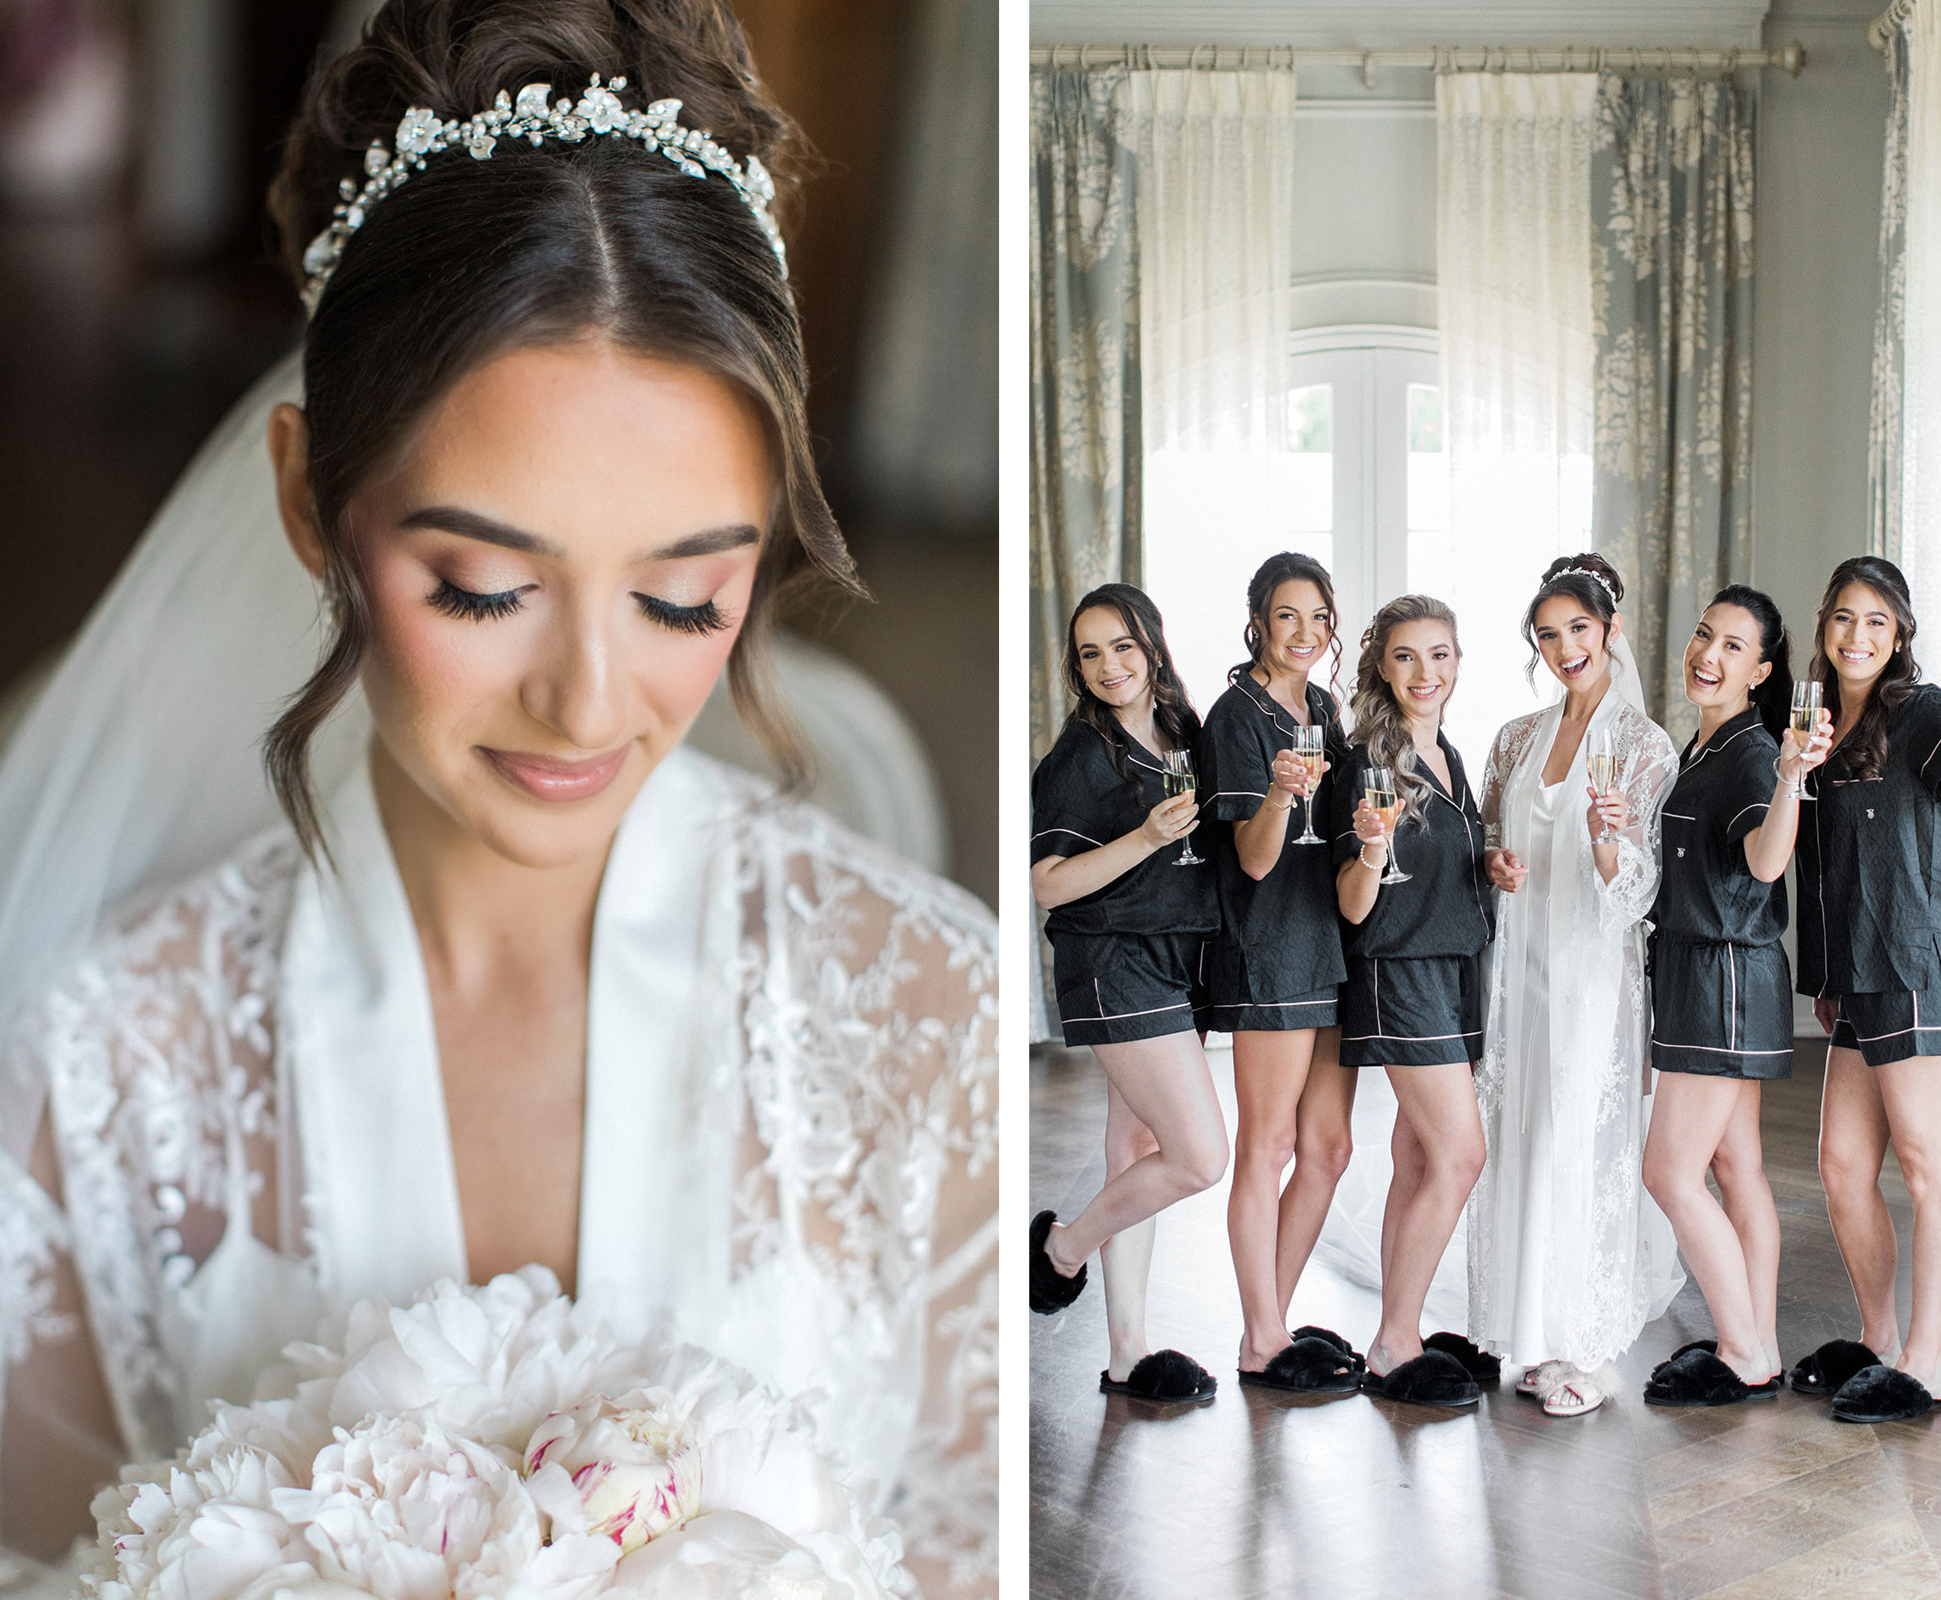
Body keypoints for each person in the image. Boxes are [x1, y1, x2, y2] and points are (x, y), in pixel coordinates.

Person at [0, 4, 995, 1592]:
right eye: (479, 587)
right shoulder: (106, 1071)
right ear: (306, 503)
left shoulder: (932, 1024)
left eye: (686, 597)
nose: (589, 703)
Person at [1786, 556, 1941, 1425]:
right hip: (1861, 981)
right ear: (1824, 625)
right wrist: (1828, 977)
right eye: (1844, 617)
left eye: (1877, 621)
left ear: (1900, 634)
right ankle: (1878, 1341)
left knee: (1927, 1170)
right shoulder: (1821, 725)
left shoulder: (1921, 710)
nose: (1857, 635)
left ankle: (1925, 1364)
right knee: (1842, 1168)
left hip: (1924, 971)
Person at [1468, 553, 1682, 1418]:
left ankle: (1587, 1345)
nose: (1564, 648)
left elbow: (1638, 891)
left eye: (1579, 631)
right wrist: (1495, 860)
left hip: (1594, 971)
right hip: (1520, 968)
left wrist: (1605, 844)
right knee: (1518, 1132)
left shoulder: (1643, 745)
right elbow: (1483, 835)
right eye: (1548, 635)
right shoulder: (1516, 737)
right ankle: (1533, 1330)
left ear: (1610, 631)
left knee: (1573, 1134)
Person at [1028, 584, 1230, 1403]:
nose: (1109, 666)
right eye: (1089, 652)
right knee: (1201, 1156)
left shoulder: (1182, 734)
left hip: (1172, 961)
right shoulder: (1080, 758)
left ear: (1152, 644)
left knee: (1136, 1153)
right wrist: (1145, 837)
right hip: (1112, 963)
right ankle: (1059, 1252)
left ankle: (1125, 1357)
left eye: (1121, 646)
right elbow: (1048, 885)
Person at [1640, 587, 1831, 1409]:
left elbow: (1763, 861)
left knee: (1669, 1173)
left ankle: (1743, 1348)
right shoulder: (1706, 744)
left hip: (1718, 979)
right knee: (1736, 1166)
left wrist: (1790, 778)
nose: (1707, 656)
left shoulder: (1756, 754)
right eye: (1702, 636)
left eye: (1732, 647)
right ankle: (1757, 1339)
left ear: (1760, 670)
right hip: (1714, 974)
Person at [1199, 552, 1362, 1392]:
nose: (1305, 633)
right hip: (1268, 948)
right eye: (1287, 615)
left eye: (1319, 617)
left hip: (1329, 944)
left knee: (1327, 1148)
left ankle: (1275, 1319)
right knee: (1265, 1146)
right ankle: (1260, 1335)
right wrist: (1277, 797)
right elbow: (1256, 863)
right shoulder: (1235, 717)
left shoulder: (1325, 709)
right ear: (1258, 620)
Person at [1332, 595, 1498, 1410]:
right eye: (1405, 656)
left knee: (1418, 1159)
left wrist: (1491, 868)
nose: (1424, 673)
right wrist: (1369, 847)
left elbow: (1451, 862)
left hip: (1456, 969)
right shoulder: (1366, 759)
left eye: (1439, 654)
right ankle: (1396, 1343)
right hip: (1400, 971)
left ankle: (1403, 1324)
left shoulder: (1450, 757)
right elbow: (1354, 903)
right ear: (1381, 666)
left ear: (1459, 661)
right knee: (1461, 1156)